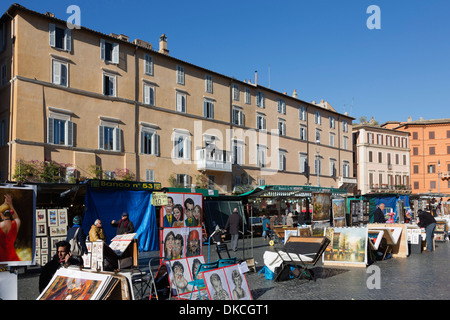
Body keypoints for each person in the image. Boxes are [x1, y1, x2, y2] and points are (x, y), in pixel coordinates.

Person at [0, 194, 21, 262]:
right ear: (10, 212)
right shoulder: (16, 224)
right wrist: (10, 204)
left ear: (1, 215)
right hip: (13, 259)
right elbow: (16, 217)